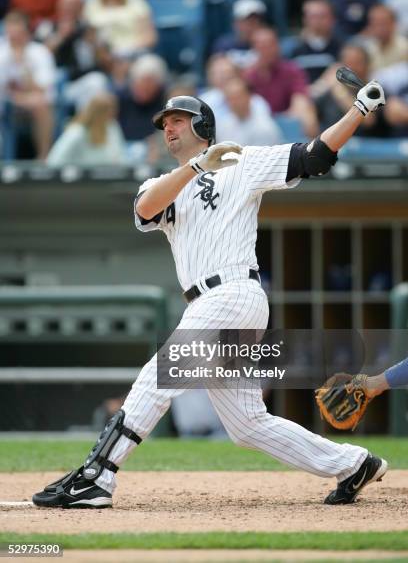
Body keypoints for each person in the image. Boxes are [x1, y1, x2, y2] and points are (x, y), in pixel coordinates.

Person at [33, 75, 389, 509]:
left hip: (233, 293)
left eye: (178, 120)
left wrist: (359, 110)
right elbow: (144, 210)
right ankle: (353, 463)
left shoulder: (241, 161)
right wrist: (198, 167)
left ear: (202, 124)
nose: (168, 128)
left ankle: (98, 476)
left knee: (160, 374)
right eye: (164, 122)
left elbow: (315, 156)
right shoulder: (163, 183)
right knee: (246, 424)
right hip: (210, 302)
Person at [0, 10, 56, 160]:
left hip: (32, 101)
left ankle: (44, 157)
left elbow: (43, 88)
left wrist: (23, 65)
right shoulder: (1, 52)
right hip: (6, 100)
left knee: (40, 103)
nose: (14, 37)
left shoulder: (39, 52)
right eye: (10, 31)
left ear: (26, 32)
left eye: (18, 32)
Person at [244, 27, 319, 138]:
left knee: (307, 111)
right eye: (262, 46)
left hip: (285, 121)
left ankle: (313, 151)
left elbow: (300, 99)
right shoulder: (247, 76)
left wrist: (292, 116)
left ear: (277, 46)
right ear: (254, 49)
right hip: (258, 125)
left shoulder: (291, 70)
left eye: (270, 46)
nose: (266, 51)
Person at [82, 0, 157, 58]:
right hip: (104, 58)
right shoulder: (91, 5)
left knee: (149, 66)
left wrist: (126, 50)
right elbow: (89, 38)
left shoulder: (137, 3)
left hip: (135, 53)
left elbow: (150, 38)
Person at [47, 92, 127, 167]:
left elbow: (120, 158)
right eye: (107, 111)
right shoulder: (77, 132)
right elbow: (54, 161)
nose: (113, 114)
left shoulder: (112, 127)